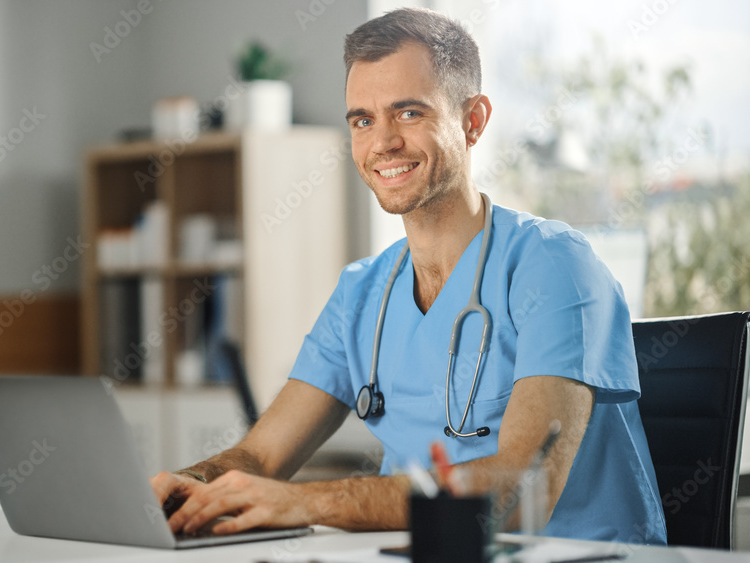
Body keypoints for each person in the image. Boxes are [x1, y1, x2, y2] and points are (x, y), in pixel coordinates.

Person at [151, 7, 667, 544]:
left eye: (410, 113)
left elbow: (520, 493)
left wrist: (306, 500)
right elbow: (260, 455)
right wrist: (186, 486)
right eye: (363, 120)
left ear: (473, 121)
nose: (383, 142)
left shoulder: (556, 264)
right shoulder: (362, 292)